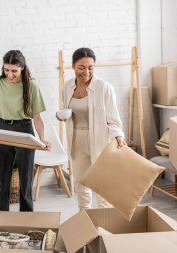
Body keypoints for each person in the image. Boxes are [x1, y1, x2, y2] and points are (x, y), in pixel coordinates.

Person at [0, 50, 51, 225]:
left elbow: (37, 118)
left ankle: (26, 224)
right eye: (6, 70)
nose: (10, 75)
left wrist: (43, 139)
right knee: (2, 182)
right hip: (3, 129)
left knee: (25, 183)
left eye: (14, 71)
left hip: (24, 129)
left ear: (22, 68)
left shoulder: (32, 86)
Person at [57, 47, 126, 210]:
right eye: (81, 67)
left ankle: (106, 226)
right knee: (81, 184)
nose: (86, 72)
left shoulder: (104, 87)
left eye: (90, 67)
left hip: (100, 140)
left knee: (102, 187)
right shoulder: (67, 87)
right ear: (73, 66)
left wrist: (118, 137)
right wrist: (61, 115)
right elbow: (66, 110)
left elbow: (114, 120)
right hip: (77, 140)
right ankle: (85, 224)